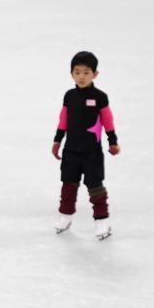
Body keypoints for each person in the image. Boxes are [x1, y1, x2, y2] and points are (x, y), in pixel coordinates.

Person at [52, 51, 120, 240]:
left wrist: (113, 141)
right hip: (71, 151)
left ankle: (102, 220)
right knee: (68, 185)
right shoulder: (69, 96)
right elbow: (63, 120)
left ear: (95, 74)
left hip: (92, 152)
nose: (81, 76)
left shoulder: (100, 97)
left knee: (95, 186)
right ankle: (65, 216)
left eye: (86, 72)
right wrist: (57, 141)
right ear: (71, 74)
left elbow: (108, 120)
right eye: (77, 72)